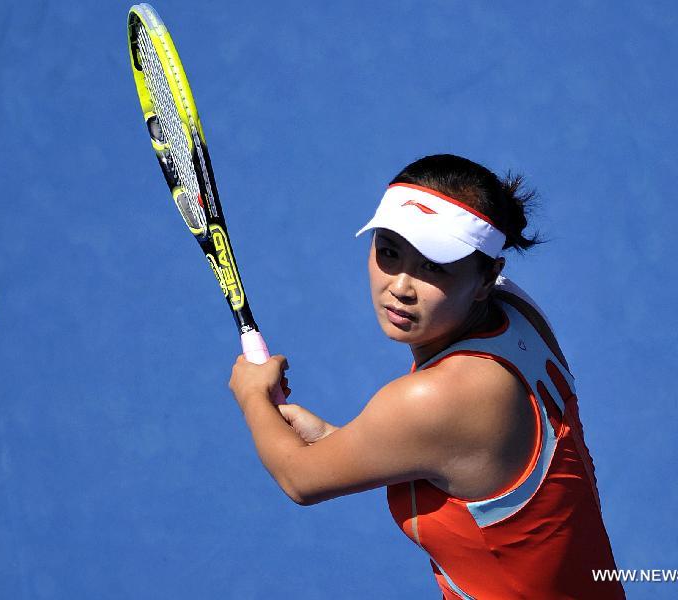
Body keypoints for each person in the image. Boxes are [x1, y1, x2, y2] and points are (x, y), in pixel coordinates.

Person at [228, 154, 625, 599]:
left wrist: (250, 394)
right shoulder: (517, 314)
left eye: (433, 266)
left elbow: (299, 479)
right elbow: (462, 456)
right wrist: (337, 439)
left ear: (486, 277)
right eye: (389, 252)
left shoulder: (439, 399)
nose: (400, 286)